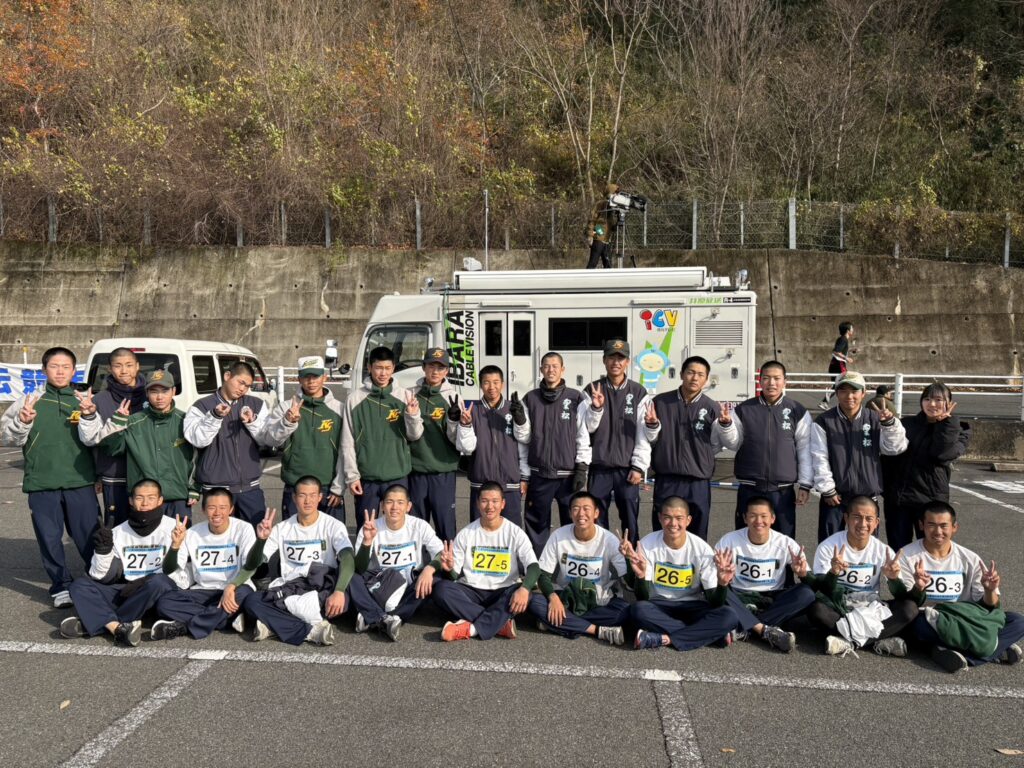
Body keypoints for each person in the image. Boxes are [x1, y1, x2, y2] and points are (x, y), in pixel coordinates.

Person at [0, 346, 100, 608]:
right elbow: (6, 438)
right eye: (54, 366)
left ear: (73, 370)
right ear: (44, 370)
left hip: (80, 482)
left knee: (89, 536)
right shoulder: (28, 401)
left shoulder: (84, 400)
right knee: (49, 538)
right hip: (42, 483)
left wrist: (90, 413)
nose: (60, 371)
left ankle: (97, 581)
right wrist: (22, 421)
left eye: (66, 367)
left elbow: (97, 439)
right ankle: (61, 586)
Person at [898, 501, 1023, 673]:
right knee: (914, 624)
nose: (938, 532)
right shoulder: (907, 555)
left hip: (966, 618)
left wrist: (989, 590)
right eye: (931, 525)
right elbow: (905, 602)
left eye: (944, 526)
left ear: (954, 527)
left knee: (1017, 621)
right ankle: (994, 647)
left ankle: (958, 654)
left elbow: (990, 606)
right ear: (921, 525)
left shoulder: (969, 558)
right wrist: (919, 587)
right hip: (931, 620)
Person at [58, 479, 179, 646]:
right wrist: (103, 551)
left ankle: (96, 621)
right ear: (130, 500)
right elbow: (99, 576)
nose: (145, 503)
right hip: (126, 589)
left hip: (155, 590)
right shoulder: (118, 532)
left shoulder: (175, 528)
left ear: (160, 501)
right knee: (79, 586)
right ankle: (117, 628)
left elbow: (181, 573)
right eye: (139, 498)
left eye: (151, 498)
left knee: (158, 583)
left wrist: (144, 581)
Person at [238, 476, 354, 646]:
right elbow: (255, 562)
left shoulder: (333, 525)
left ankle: (272, 625)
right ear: (294, 498)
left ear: (320, 497)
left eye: (313, 495)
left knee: (347, 594)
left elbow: (348, 559)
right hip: (289, 588)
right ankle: (310, 631)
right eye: (302, 495)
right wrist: (261, 540)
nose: (308, 501)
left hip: (321, 588)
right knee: (251, 601)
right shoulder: (282, 528)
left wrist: (339, 591)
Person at [807, 496, 919, 658]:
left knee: (910, 608)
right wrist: (833, 573)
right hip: (839, 607)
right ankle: (878, 640)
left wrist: (894, 579)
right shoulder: (829, 546)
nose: (862, 524)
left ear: (876, 523)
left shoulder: (883, 550)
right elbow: (822, 589)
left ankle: (849, 642)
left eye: (869, 519)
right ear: (846, 518)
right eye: (857, 517)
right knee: (816, 609)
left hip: (870, 608)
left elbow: (900, 595)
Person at [78, 369, 197, 520]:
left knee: (180, 540)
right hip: (144, 499)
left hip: (178, 497)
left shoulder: (185, 420)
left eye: (164, 391)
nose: (159, 397)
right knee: (146, 542)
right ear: (147, 393)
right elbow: (112, 449)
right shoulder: (134, 421)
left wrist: (195, 487)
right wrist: (117, 423)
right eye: (154, 391)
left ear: (173, 391)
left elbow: (198, 456)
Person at [625, 497, 739, 651]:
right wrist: (640, 576)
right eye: (667, 518)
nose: (673, 524)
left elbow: (715, 602)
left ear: (688, 520)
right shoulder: (646, 544)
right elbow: (642, 597)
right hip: (658, 605)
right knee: (638, 610)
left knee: (729, 615)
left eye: (679, 518)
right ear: (659, 518)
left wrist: (722, 584)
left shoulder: (702, 549)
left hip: (693, 605)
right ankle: (709, 634)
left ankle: (664, 638)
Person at [432, 482, 539, 641]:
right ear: (477, 503)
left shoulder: (515, 532)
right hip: (472, 590)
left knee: (526, 593)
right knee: (441, 589)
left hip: (503, 590)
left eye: (495, 501)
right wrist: (449, 569)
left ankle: (471, 629)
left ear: (502, 504)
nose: (490, 506)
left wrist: (524, 589)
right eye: (484, 501)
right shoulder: (466, 533)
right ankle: (499, 623)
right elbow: (454, 576)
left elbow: (534, 567)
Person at [717, 361, 813, 537]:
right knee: (745, 538)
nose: (772, 383)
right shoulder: (744, 409)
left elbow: (805, 449)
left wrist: (805, 485)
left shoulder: (797, 410)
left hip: (783, 491)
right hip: (750, 487)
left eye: (777, 378)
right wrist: (726, 426)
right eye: (766, 378)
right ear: (760, 381)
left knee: (784, 540)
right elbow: (733, 443)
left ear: (785, 382)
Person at [810, 371, 907, 542]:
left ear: (863, 393)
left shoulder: (875, 418)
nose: (849, 396)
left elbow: (895, 448)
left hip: (867, 497)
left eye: (854, 391)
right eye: (843, 391)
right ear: (836, 393)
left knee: (866, 548)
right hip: (835, 497)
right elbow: (819, 457)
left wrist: (889, 424)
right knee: (829, 546)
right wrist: (827, 489)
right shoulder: (823, 421)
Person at [150, 488, 257, 640]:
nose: (217, 513)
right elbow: (169, 569)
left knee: (245, 595)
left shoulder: (244, 528)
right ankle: (227, 618)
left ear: (231, 509)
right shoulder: (193, 533)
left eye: (223, 508)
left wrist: (231, 586)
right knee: (164, 603)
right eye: (212, 508)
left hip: (235, 588)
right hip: (202, 591)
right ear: (203, 510)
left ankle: (185, 627)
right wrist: (174, 546)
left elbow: (250, 566)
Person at [640, 355, 727, 542]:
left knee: (697, 533)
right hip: (667, 479)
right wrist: (652, 425)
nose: (695, 378)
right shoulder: (661, 402)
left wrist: (701, 458)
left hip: (698, 482)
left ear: (706, 379)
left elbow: (717, 443)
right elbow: (649, 438)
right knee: (663, 532)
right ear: (681, 374)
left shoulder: (711, 407)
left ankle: (695, 571)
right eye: (691, 372)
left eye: (700, 374)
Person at [713, 497, 816, 653]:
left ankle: (745, 627)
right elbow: (713, 575)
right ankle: (764, 630)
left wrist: (802, 574)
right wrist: (721, 573)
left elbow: (808, 578)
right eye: (753, 516)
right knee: (715, 588)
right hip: (740, 595)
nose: (758, 521)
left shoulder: (785, 542)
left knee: (806, 594)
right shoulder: (729, 540)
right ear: (745, 518)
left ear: (772, 518)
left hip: (772, 598)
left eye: (763, 516)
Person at [527, 491, 629, 645]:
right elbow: (543, 574)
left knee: (624, 612)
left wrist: (630, 560)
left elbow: (626, 578)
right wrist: (553, 598)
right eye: (575, 508)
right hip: (566, 599)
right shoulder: (559, 535)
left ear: (596, 513)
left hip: (598, 600)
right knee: (535, 602)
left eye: (586, 508)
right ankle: (598, 630)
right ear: (570, 513)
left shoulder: (609, 539)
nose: (581, 513)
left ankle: (556, 622)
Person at [341, 346, 423, 529]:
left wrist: (412, 415)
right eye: (378, 368)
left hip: (397, 476)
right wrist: (352, 476)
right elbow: (347, 441)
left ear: (393, 368)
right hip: (366, 478)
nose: (383, 373)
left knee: (397, 527)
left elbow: (415, 435)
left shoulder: (406, 396)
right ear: (369, 368)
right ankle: (365, 558)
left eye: (387, 368)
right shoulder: (355, 399)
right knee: (366, 529)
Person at [881, 383, 970, 551]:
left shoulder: (959, 430)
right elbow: (888, 455)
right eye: (927, 399)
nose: (932, 404)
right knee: (899, 550)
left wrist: (946, 424)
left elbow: (941, 454)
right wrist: (888, 490)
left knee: (931, 550)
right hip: (899, 500)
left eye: (938, 399)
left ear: (949, 402)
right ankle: (899, 578)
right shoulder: (906, 424)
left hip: (932, 502)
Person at [350, 484, 444, 641]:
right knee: (349, 574)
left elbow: (441, 554)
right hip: (379, 586)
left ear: (408, 506)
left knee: (435, 578)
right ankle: (386, 619)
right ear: (382, 506)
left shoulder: (420, 525)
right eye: (389, 502)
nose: (395, 507)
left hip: (409, 586)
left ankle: (372, 616)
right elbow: (359, 568)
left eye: (400, 502)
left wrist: (429, 570)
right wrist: (367, 541)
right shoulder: (371, 526)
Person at [183, 361, 271, 527]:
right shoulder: (201, 406)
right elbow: (198, 440)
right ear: (227, 376)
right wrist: (215, 416)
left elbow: (266, 439)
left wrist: (252, 422)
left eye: (247, 386)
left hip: (249, 488)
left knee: (255, 537)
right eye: (241, 382)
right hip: (216, 489)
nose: (243, 389)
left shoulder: (256, 404)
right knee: (220, 539)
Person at [582, 339, 652, 544]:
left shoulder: (638, 392)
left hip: (627, 470)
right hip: (599, 468)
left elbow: (643, 433)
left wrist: (639, 466)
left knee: (630, 520)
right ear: (604, 360)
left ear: (628, 362)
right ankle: (600, 565)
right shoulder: (592, 389)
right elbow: (585, 428)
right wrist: (596, 408)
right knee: (596, 521)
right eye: (611, 357)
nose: (616, 362)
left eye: (620, 358)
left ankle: (631, 566)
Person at [522, 352, 591, 554]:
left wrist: (582, 467)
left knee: (573, 523)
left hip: (568, 476)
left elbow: (583, 435)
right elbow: (524, 440)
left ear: (563, 369)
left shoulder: (576, 398)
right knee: (536, 524)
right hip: (539, 474)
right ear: (541, 369)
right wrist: (524, 473)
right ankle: (538, 568)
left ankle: (572, 565)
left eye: (555, 366)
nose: (550, 370)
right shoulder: (530, 398)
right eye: (546, 366)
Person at [262, 355, 345, 522]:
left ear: (325, 377)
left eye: (316, 376)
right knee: (294, 537)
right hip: (295, 486)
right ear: (299, 378)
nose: (311, 381)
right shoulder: (286, 407)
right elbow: (270, 440)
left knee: (333, 541)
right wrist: (287, 421)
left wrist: (339, 487)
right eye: (306, 376)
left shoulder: (339, 409)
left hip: (328, 487)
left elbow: (347, 450)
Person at [455, 365, 530, 526]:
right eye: (487, 382)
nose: (492, 387)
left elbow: (524, 442)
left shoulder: (514, 408)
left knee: (513, 533)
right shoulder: (473, 410)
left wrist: (525, 477)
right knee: (479, 533)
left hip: (510, 484)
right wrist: (466, 425)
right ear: (481, 385)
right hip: (481, 484)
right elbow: (466, 448)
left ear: (502, 383)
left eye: (496, 382)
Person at [87, 347, 147, 525]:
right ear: (110, 369)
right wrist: (96, 476)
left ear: (137, 366)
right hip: (113, 476)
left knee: (146, 525)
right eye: (118, 366)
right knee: (116, 527)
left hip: (145, 474)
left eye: (129, 365)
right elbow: (92, 440)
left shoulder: (151, 396)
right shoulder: (100, 400)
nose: (124, 370)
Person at [407, 348, 461, 540]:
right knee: (416, 526)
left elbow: (459, 440)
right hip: (416, 471)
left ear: (447, 371)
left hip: (443, 471)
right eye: (431, 366)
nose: (435, 371)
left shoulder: (453, 397)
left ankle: (448, 567)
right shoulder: (410, 395)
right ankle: (417, 567)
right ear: (423, 367)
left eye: (441, 367)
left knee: (445, 525)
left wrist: (454, 422)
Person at [819, 321, 856, 410]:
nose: (853, 330)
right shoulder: (843, 339)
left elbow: (840, 351)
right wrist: (847, 358)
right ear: (848, 330)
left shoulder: (842, 339)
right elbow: (836, 351)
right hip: (838, 365)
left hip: (836, 364)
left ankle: (825, 402)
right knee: (843, 382)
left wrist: (850, 351)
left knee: (837, 384)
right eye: (852, 328)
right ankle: (826, 402)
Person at [585, 186, 617, 269]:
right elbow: (592, 220)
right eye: (614, 193)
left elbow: (611, 225)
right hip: (599, 237)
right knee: (593, 262)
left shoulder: (614, 206)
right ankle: (586, 278)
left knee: (608, 264)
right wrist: (590, 235)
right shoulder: (601, 204)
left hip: (606, 239)